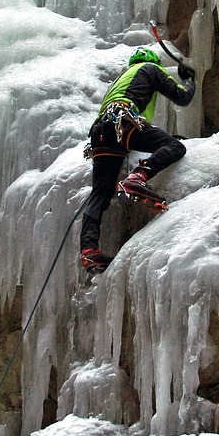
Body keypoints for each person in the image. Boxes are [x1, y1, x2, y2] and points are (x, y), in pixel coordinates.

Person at [79, 46, 195, 273]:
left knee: (100, 194)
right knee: (174, 146)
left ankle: (89, 251)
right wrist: (189, 80)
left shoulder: (120, 80)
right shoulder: (150, 68)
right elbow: (182, 96)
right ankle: (137, 178)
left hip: (100, 132)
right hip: (123, 121)